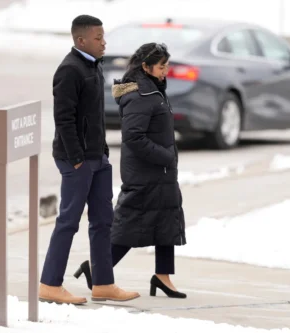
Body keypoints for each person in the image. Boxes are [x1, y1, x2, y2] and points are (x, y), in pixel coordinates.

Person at [38, 14, 140, 305]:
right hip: (77, 160)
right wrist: (77, 159)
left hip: (98, 157)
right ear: (81, 40)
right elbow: (64, 119)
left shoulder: (93, 66)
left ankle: (103, 283)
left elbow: (93, 117)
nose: (104, 42)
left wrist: (103, 153)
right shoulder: (69, 70)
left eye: (103, 37)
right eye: (98, 38)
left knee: (103, 221)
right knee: (69, 221)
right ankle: (49, 284)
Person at [74, 42, 187, 299]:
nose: (165, 71)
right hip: (146, 173)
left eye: (167, 65)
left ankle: (163, 277)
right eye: (161, 66)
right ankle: (96, 269)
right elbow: (134, 137)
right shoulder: (139, 95)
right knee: (131, 226)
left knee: (165, 220)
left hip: (161, 172)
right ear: (146, 67)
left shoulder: (152, 89)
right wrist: (166, 156)